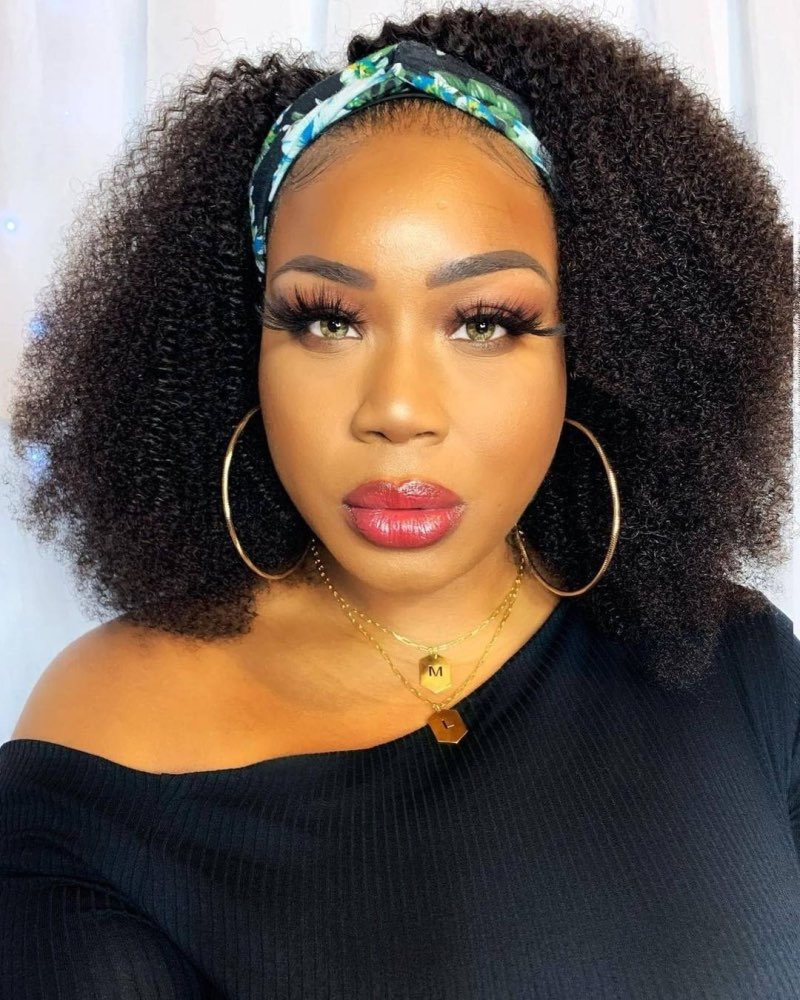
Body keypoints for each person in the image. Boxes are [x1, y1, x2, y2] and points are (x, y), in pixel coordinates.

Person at [1, 4, 798, 997]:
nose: (397, 409)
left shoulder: (737, 667)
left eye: (484, 322)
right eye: (327, 320)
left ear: (592, 349)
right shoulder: (108, 749)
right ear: (240, 347)